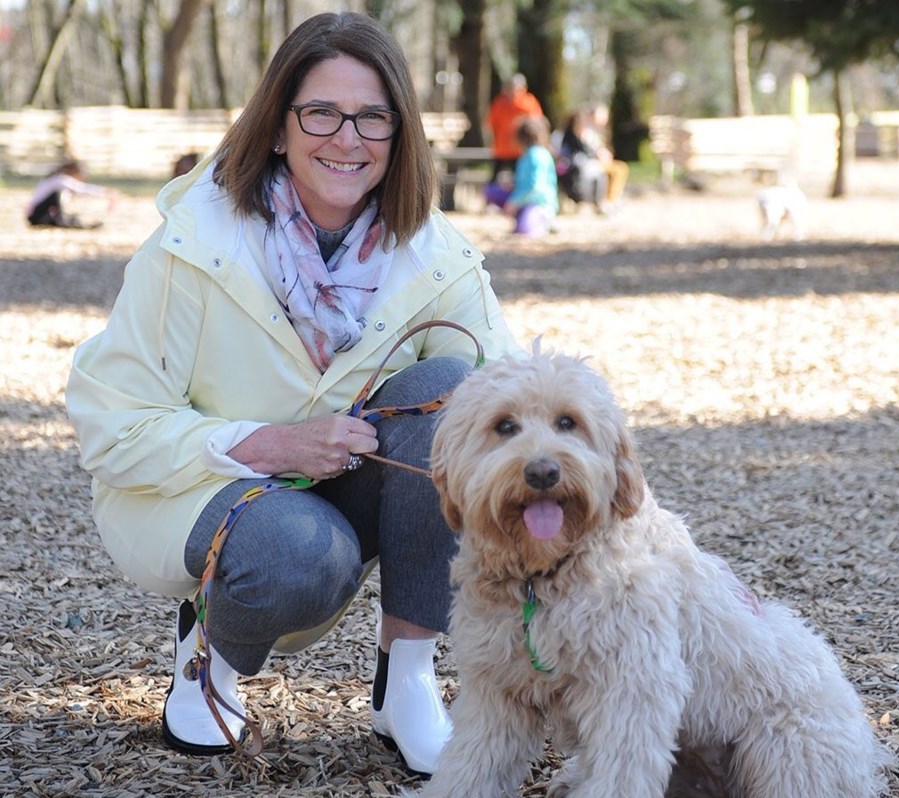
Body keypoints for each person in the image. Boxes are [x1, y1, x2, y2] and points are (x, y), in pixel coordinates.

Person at [65, 12, 518, 775]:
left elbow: (518, 408)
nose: (348, 138)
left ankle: (406, 680)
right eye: (322, 113)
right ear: (278, 128)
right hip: (197, 486)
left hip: (339, 486)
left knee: (456, 396)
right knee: (299, 552)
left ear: (399, 134)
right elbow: (111, 422)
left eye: (373, 117)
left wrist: (636, 538)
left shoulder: (436, 254)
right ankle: (209, 653)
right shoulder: (194, 242)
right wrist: (266, 443)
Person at [484, 115, 558, 237]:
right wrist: (513, 185)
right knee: (493, 190)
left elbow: (535, 187)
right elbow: (525, 182)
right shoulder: (527, 155)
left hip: (539, 203)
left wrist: (514, 202)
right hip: (525, 200)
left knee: (525, 230)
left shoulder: (536, 156)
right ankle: (522, 216)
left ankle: (542, 221)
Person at [484, 73, 544, 184]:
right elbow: (490, 125)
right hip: (502, 150)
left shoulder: (529, 103)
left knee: (521, 182)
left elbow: (537, 126)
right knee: (495, 182)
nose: (512, 92)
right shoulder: (500, 103)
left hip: (522, 152)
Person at [25, 159, 116, 229]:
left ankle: (63, 220)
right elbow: (80, 189)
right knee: (57, 194)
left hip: (43, 214)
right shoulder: (59, 179)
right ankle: (61, 220)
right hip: (36, 215)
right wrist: (105, 192)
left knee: (73, 216)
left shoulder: (58, 180)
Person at [557, 110, 609, 214]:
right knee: (596, 172)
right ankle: (596, 202)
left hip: (584, 168)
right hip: (572, 171)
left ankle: (600, 202)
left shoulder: (583, 137)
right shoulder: (566, 139)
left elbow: (591, 152)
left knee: (600, 172)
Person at [585, 104, 630, 205]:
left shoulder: (599, 132)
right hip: (592, 162)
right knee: (619, 170)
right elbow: (590, 150)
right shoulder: (588, 131)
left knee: (621, 168)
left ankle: (614, 197)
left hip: (600, 161)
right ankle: (611, 199)